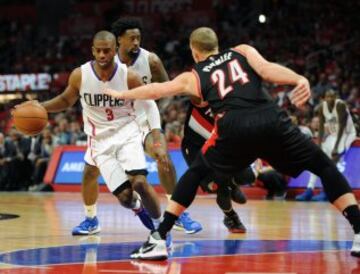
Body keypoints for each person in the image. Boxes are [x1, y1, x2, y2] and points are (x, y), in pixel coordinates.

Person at [104, 27, 360, 260]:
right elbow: (269, 69)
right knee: (324, 167)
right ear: (217, 45)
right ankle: (358, 230)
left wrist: (121, 94)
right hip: (270, 119)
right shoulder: (242, 51)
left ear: (195, 52)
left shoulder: (194, 74)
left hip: (233, 127)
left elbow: (157, 90)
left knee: (195, 174)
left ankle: (159, 237)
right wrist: (298, 79)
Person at [16, 31, 163, 235]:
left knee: (139, 182)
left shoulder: (129, 76)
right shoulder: (80, 74)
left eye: (107, 51)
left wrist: (157, 134)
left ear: (115, 51)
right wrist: (39, 106)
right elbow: (66, 100)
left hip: (127, 134)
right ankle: (118, 212)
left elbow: (149, 104)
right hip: (99, 140)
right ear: (93, 50)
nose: (102, 55)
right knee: (125, 198)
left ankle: (163, 228)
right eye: (98, 51)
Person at [72, 18, 202, 236]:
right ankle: (91, 219)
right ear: (118, 41)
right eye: (131, 38)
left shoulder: (150, 61)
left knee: (163, 158)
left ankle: (177, 214)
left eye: (138, 38)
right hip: (114, 126)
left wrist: (154, 115)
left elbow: (166, 89)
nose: (136, 42)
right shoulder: (102, 64)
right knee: (89, 173)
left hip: (143, 120)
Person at [181, 101, 250, 233]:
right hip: (195, 147)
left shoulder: (234, 100)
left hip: (220, 146)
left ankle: (232, 183)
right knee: (218, 188)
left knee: (247, 176)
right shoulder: (200, 90)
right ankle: (231, 217)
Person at [296, 89, 357, 201]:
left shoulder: (340, 105)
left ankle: (327, 192)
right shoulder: (321, 107)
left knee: (332, 161)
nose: (330, 99)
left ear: (336, 97)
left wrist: (336, 148)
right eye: (327, 97)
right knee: (316, 158)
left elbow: (342, 128)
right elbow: (320, 129)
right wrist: (318, 145)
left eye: (332, 97)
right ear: (324, 98)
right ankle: (309, 189)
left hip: (347, 134)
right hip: (333, 134)